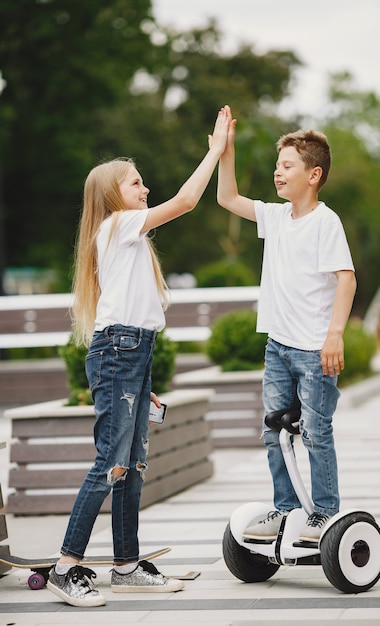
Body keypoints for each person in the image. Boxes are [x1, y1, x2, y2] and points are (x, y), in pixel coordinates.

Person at [47, 107, 230, 608]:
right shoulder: (117, 226)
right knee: (110, 461)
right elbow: (188, 200)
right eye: (136, 182)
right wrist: (215, 151)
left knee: (132, 463)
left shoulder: (129, 238)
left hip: (133, 352)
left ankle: (126, 565)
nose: (144, 189)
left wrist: (141, 375)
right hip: (117, 351)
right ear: (113, 195)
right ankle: (67, 567)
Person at [216, 105, 356, 544]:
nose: (278, 173)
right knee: (274, 429)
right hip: (277, 346)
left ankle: (326, 514)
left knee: (316, 432)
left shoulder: (325, 222)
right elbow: (226, 198)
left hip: (314, 349)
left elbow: (346, 278)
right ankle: (287, 508)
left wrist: (335, 335)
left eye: (288, 166)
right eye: (277, 166)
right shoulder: (275, 219)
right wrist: (225, 150)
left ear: (313, 175)